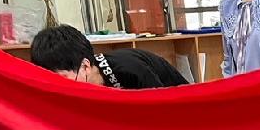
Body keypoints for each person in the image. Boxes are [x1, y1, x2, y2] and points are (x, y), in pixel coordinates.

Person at [29, 24, 189, 89]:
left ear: (85, 66)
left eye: (61, 78)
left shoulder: (130, 71)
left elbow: (163, 109)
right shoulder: (83, 83)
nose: (57, 86)